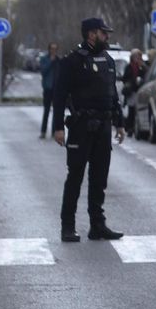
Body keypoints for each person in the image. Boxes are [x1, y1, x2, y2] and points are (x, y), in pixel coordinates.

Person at [52, 18, 126, 243]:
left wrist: (120, 122)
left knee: (99, 177)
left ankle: (97, 225)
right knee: (75, 176)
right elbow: (59, 95)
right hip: (81, 126)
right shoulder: (72, 62)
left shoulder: (108, 60)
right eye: (104, 33)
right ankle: (68, 226)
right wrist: (57, 127)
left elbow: (112, 94)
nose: (107, 36)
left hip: (103, 126)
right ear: (91, 34)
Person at [38, 43, 61, 139]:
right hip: (48, 88)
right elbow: (43, 71)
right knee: (46, 110)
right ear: (49, 49)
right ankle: (43, 131)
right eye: (52, 49)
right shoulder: (44, 59)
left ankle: (54, 131)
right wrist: (50, 62)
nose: (53, 51)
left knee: (56, 112)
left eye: (55, 49)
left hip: (57, 89)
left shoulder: (59, 60)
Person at [122, 49, 147, 134]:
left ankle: (137, 127)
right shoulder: (129, 66)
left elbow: (146, 76)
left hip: (140, 90)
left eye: (139, 57)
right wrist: (131, 81)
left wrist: (142, 68)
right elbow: (124, 78)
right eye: (135, 57)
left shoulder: (143, 66)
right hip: (132, 91)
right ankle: (129, 128)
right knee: (131, 110)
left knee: (139, 110)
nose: (137, 58)